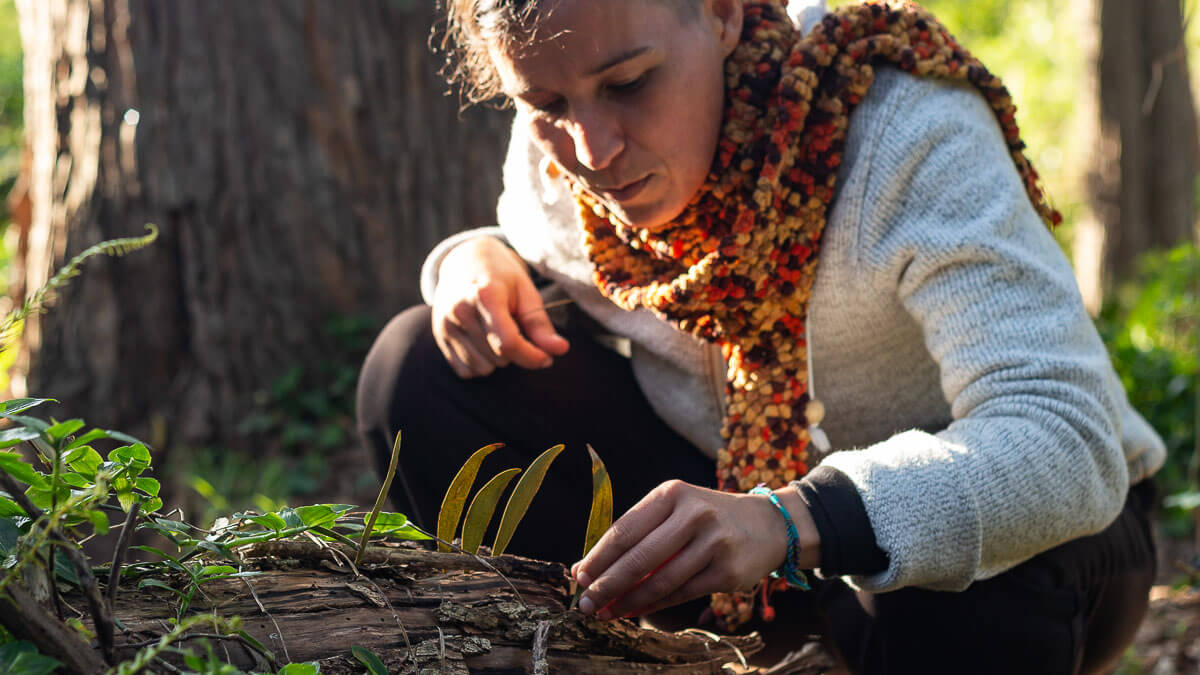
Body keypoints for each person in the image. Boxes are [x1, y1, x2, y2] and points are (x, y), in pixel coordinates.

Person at [356, 0, 1166, 672]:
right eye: (546, 107)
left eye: (630, 83)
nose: (592, 153)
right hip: (743, 542)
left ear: (722, 14)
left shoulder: (903, 127)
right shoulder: (563, 148)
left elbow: (1066, 434)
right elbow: (531, 244)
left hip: (1001, 563)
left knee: (969, 566)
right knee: (419, 368)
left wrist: (793, 517)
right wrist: (474, 261)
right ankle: (595, 654)